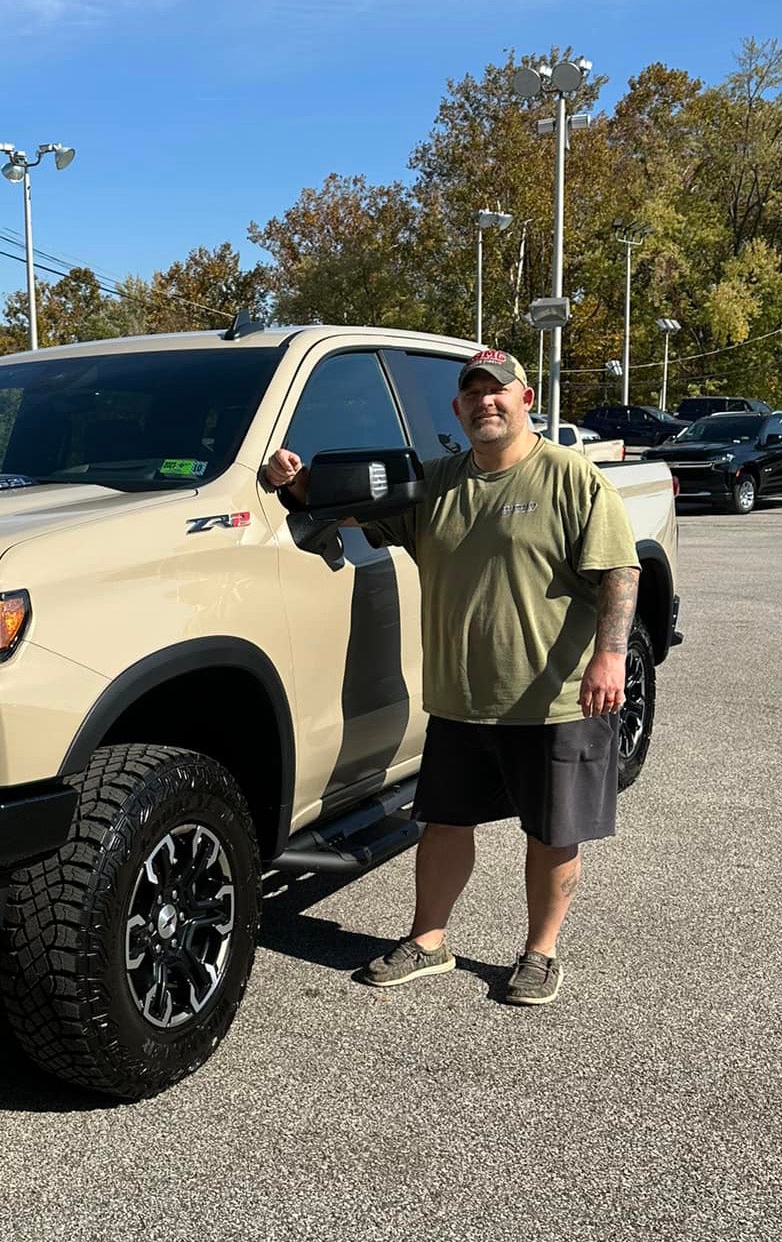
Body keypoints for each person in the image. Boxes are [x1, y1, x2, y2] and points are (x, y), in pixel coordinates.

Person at [264, 348, 640, 1006]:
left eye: (499, 392)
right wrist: (293, 481)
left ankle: (539, 953)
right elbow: (350, 509)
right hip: (460, 698)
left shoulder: (571, 479)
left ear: (526, 402)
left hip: (550, 697)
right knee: (443, 825)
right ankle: (429, 941)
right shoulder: (435, 482)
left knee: (552, 832)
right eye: (473, 393)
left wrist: (610, 656)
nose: (486, 402)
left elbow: (619, 570)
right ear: (458, 408)